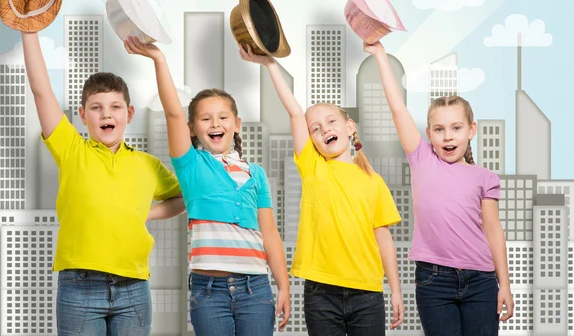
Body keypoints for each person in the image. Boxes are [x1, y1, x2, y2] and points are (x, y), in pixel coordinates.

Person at [124, 36, 291, 336]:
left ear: (237, 124)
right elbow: (174, 112)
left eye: (223, 117)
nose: (215, 124)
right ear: (192, 129)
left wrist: (284, 285)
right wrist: (159, 59)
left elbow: (270, 234)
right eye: (205, 118)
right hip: (208, 293)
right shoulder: (191, 166)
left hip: (256, 289)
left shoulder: (256, 174)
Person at [21, 31, 184, 335]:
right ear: (82, 115)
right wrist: (29, 32)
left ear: (129, 113)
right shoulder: (72, 150)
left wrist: (146, 213)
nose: (106, 114)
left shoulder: (148, 165)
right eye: (96, 107)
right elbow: (41, 92)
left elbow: (184, 197)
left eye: (115, 107)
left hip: (134, 288)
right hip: (80, 287)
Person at [239, 44, 404, 335]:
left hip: (367, 293)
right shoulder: (313, 167)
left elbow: (384, 239)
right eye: (315, 128)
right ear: (311, 141)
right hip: (320, 294)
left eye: (331, 122)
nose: (324, 129)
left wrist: (396, 289)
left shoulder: (373, 180)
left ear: (349, 126)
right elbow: (294, 112)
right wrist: (271, 65)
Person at [364, 41, 514, 335]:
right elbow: (397, 108)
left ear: (471, 131)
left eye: (456, 128)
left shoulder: (485, 178)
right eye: (439, 129)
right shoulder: (422, 159)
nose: (448, 136)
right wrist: (381, 55)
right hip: (434, 281)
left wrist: (504, 284)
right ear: (428, 134)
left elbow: (494, 230)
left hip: (481, 281)